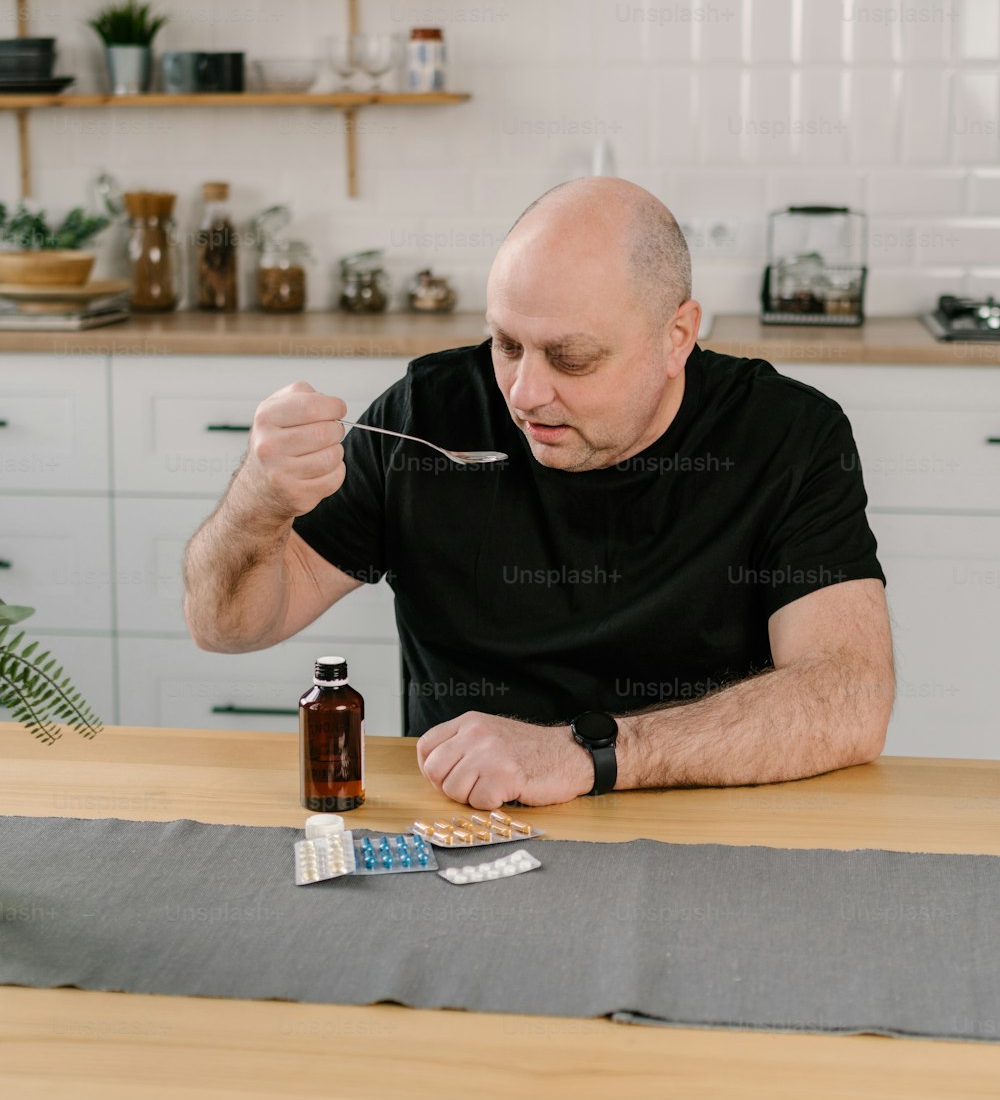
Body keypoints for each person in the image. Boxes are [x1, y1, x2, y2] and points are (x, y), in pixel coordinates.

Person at [183, 177, 895, 809]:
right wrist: (257, 500)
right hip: (467, 822)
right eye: (506, 344)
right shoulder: (425, 418)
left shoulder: (786, 435)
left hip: (703, 817)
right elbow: (227, 626)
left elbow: (849, 697)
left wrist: (588, 756)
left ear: (676, 335)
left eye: (571, 358)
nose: (525, 394)